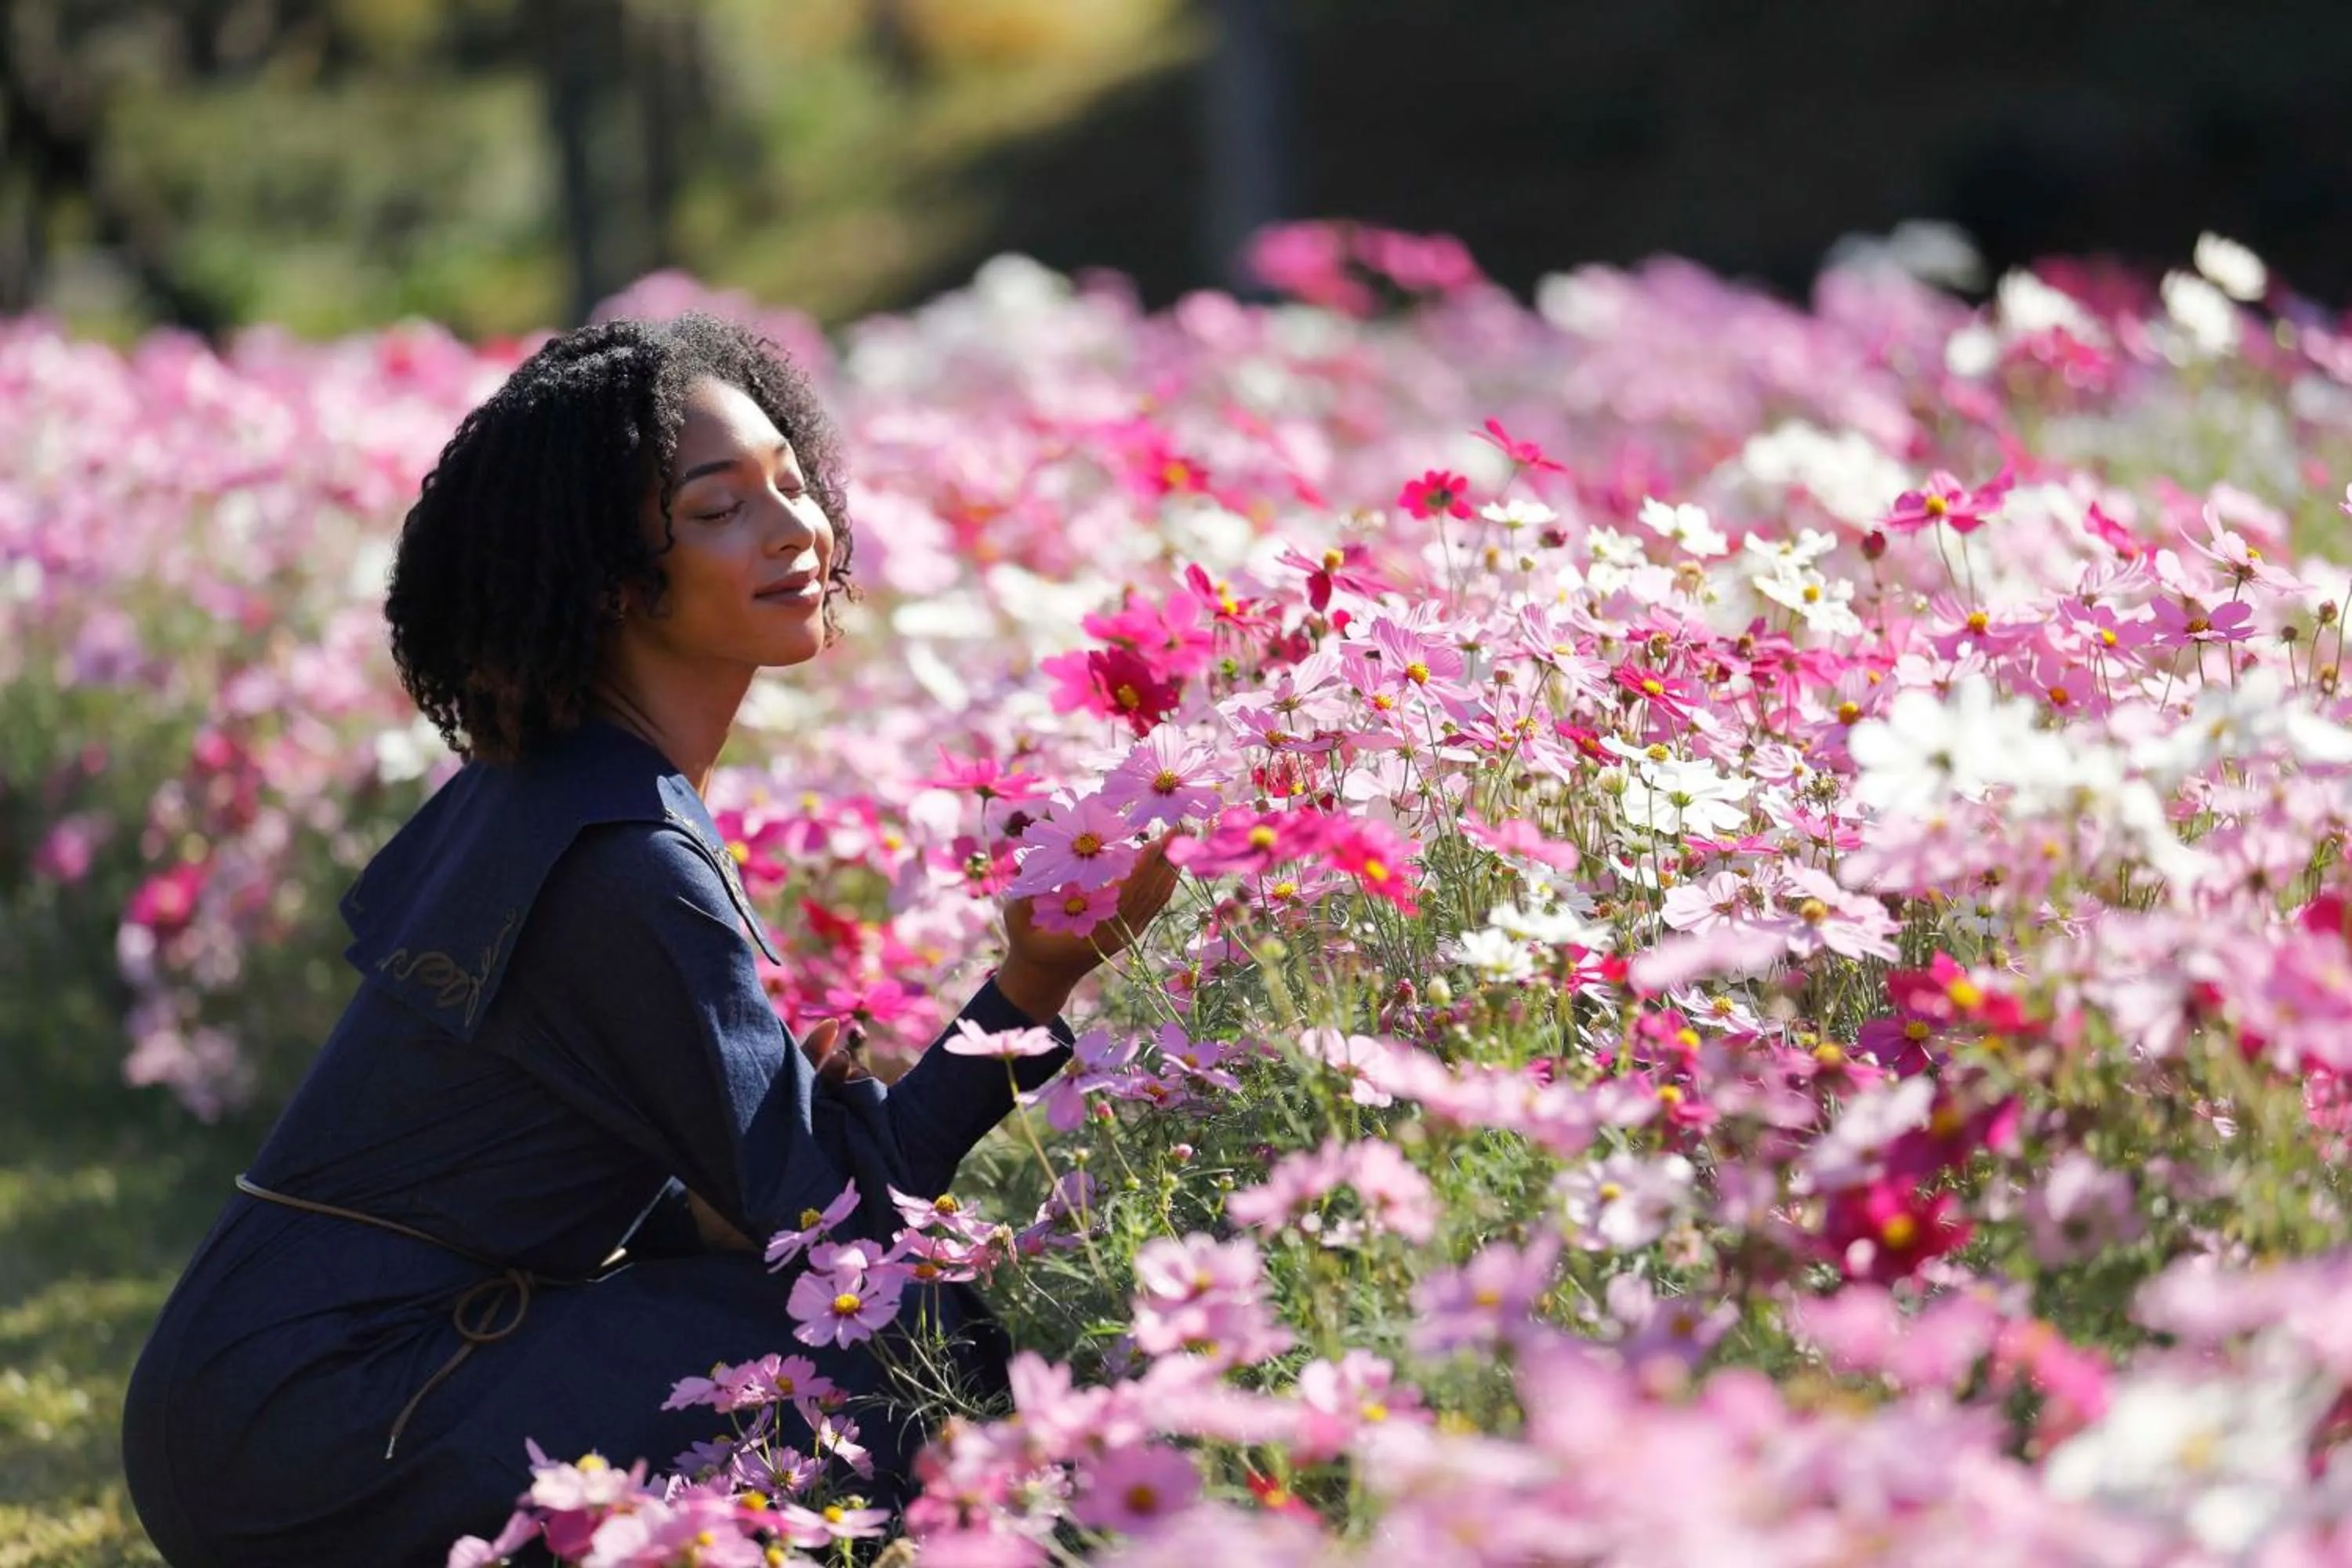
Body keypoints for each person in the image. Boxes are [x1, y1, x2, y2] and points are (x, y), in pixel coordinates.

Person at [120, 313, 1179, 1567]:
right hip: (329, 1428)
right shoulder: (623, 855)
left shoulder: (557, 783)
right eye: (718, 507)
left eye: (794, 484)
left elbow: (522, 1165)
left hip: (259, 1394)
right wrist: (1037, 978)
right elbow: (844, 1235)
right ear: (607, 570)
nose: (794, 529)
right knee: (903, 1361)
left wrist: (696, 1215)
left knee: (838, 1331)